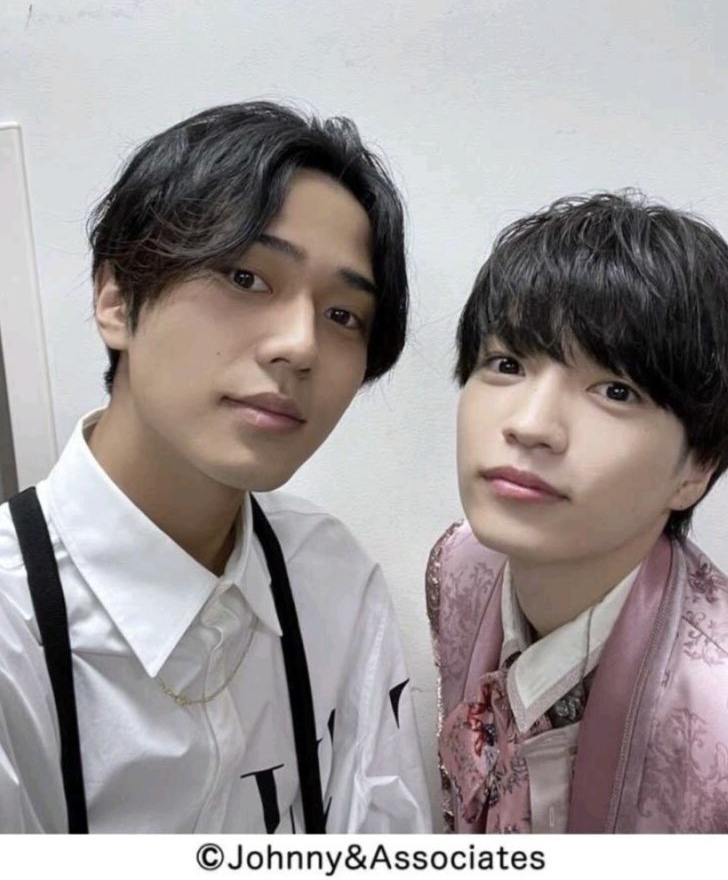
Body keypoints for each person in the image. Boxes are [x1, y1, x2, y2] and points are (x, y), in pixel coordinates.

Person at [0, 101, 430, 834]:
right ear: (116, 298)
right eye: (246, 277)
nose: (300, 346)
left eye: (342, 315)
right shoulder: (17, 628)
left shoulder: (330, 577)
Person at [427, 191, 728, 834]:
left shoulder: (723, 709)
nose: (531, 425)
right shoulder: (457, 567)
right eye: (506, 363)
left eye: (615, 390)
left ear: (696, 468)